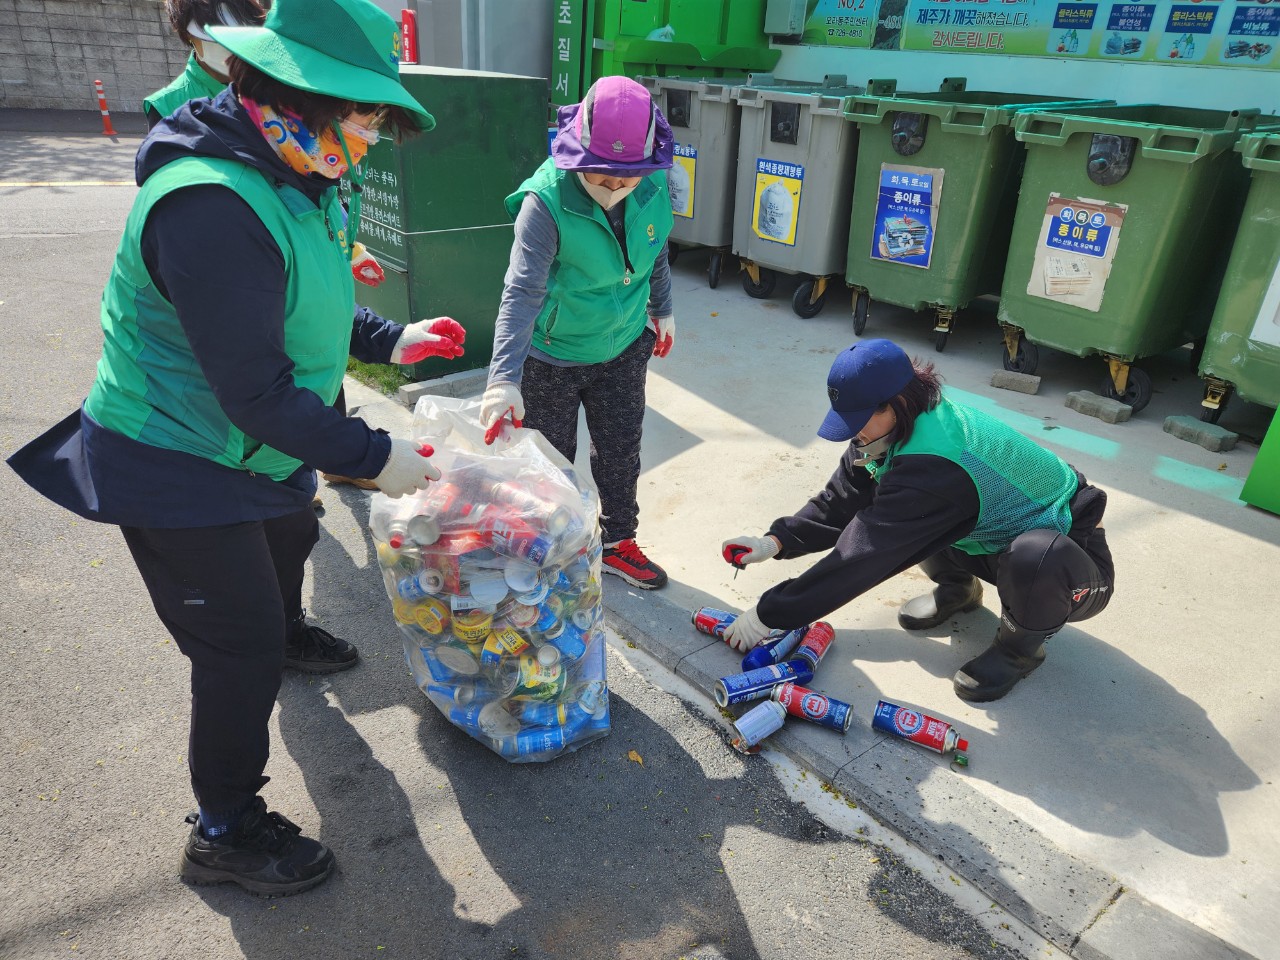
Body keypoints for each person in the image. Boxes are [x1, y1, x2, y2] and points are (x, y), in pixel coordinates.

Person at [8, 0, 466, 896]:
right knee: (236, 651)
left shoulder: (300, 166)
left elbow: (310, 299)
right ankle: (224, 829)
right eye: (368, 112)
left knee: (291, 535)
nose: (374, 134)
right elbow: (254, 390)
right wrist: (379, 456)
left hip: (252, 450)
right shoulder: (211, 203)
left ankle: (282, 625)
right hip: (178, 459)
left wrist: (390, 340)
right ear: (305, 93)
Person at [720, 339, 1115, 704]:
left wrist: (769, 614)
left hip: (1071, 566)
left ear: (894, 403)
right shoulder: (890, 432)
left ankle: (1018, 652)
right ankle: (959, 590)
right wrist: (777, 540)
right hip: (993, 541)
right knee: (919, 519)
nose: (852, 431)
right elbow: (841, 499)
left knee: (1029, 555)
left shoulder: (936, 464)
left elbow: (861, 557)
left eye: (858, 418)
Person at [480, 76, 677, 590]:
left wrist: (663, 309)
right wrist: (503, 379)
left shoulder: (653, 184)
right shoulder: (543, 204)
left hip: (624, 344)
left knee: (620, 450)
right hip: (553, 356)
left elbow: (655, 248)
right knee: (549, 463)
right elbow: (520, 294)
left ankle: (617, 543)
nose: (613, 188)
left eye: (625, 179)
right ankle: (553, 547)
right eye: (601, 176)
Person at [143, 0, 266, 130]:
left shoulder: (271, 89)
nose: (227, 45)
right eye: (213, 36)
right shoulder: (165, 105)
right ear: (188, 34)